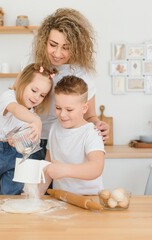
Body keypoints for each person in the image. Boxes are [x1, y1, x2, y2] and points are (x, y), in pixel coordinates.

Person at [28, 8, 110, 160]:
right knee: (33, 184)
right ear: (44, 41)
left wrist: (99, 125)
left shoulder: (83, 74)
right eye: (53, 45)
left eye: (66, 48)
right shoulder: (32, 68)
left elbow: (90, 115)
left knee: (61, 183)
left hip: (67, 143)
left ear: (77, 47)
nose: (58, 54)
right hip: (32, 141)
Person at [0, 63, 57, 195]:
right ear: (23, 83)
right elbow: (17, 110)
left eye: (42, 95)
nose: (37, 97)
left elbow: (15, 136)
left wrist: (16, 140)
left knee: (12, 196)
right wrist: (36, 121)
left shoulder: (32, 114)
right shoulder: (8, 97)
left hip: (14, 155)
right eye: (34, 90)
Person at [38, 75, 105, 195]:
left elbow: (96, 168)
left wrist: (65, 170)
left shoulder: (91, 133)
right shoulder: (54, 128)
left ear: (84, 108)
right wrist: (37, 193)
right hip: (61, 197)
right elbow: (48, 166)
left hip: (89, 198)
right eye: (58, 108)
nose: (62, 114)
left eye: (69, 110)